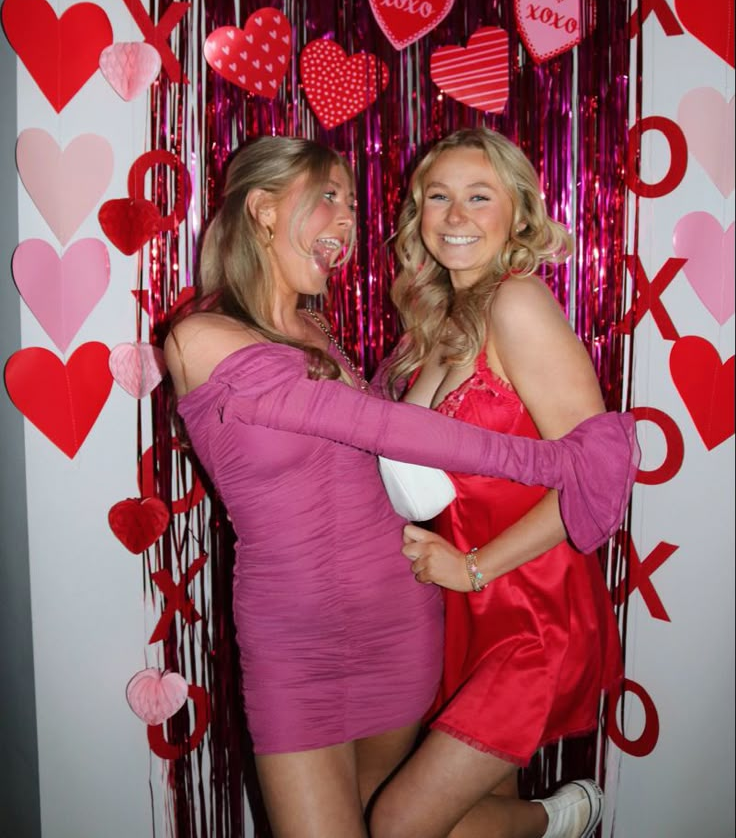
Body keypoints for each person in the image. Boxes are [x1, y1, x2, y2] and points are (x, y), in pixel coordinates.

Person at [164, 135, 638, 838]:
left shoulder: (325, 337)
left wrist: (559, 480)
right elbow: (382, 434)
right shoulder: (202, 336)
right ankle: (554, 817)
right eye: (329, 197)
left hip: (416, 615)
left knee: (400, 823)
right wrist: (560, 464)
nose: (348, 220)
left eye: (353, 204)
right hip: (302, 637)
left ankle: (553, 815)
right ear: (262, 211)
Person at [366, 127, 629, 838]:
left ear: (517, 213)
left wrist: (473, 567)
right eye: (438, 197)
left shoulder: (518, 304)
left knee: (398, 822)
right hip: (464, 611)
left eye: (478, 197)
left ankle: (557, 817)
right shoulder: (434, 324)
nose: (455, 216)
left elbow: (596, 475)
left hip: (534, 610)